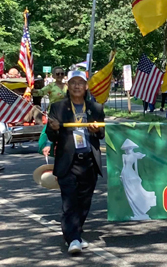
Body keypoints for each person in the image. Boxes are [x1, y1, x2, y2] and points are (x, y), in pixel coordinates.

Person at [46, 70, 105, 254]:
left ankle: (75, 234)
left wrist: (96, 131)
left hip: (88, 161)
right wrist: (53, 129)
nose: (77, 86)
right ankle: (73, 239)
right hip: (68, 162)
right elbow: (51, 134)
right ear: (68, 85)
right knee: (70, 202)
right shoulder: (58, 107)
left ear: (86, 86)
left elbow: (101, 134)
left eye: (80, 82)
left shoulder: (95, 107)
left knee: (84, 202)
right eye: (73, 82)